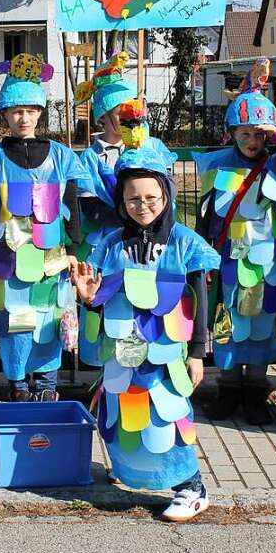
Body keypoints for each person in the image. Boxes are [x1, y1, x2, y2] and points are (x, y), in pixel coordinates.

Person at [73, 146, 218, 522]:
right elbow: (100, 300)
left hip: (166, 353)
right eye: (133, 198)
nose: (143, 205)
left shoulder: (184, 242)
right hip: (121, 351)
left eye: (151, 197)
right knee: (127, 412)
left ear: (166, 195)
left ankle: (192, 486)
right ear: (121, 201)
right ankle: (133, 471)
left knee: (166, 412)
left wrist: (198, 351)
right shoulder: (109, 244)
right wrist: (89, 299)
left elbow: (199, 299)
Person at [0, 53, 88, 401]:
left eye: (30, 110)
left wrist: (73, 253)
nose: (23, 117)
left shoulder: (61, 157)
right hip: (5, 261)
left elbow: (72, 208)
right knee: (13, 323)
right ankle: (17, 387)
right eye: (16, 111)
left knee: (47, 321)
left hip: (51, 262)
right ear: (4, 115)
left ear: (40, 113)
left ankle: (46, 387)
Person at [194, 60, 276, 425]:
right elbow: (205, 217)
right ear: (232, 133)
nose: (252, 141)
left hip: (271, 264)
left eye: (259, 135)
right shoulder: (215, 164)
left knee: (263, 324)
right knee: (230, 323)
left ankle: (255, 392)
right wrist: (204, 261)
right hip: (228, 261)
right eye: (245, 133)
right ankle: (228, 389)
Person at [74, 52, 175, 367]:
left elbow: (165, 194)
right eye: (121, 112)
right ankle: (105, 374)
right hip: (105, 247)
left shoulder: (152, 148)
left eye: (134, 111)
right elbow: (88, 206)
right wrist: (120, 213)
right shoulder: (90, 158)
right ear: (103, 115)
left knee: (144, 307)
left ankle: (145, 368)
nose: (130, 118)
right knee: (107, 309)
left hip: (147, 246)